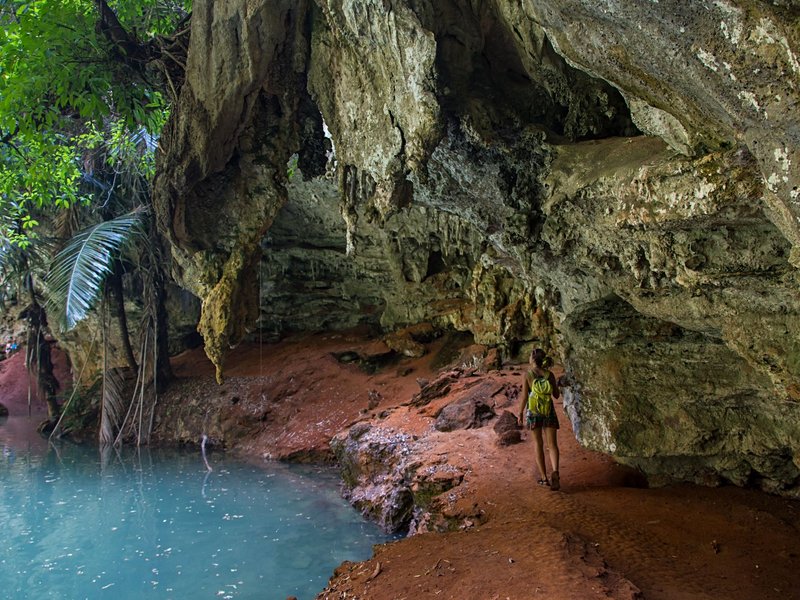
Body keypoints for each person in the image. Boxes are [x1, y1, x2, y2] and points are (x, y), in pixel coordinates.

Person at [518, 348, 561, 490]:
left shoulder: (528, 375)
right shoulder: (550, 374)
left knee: (538, 444)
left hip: (534, 411)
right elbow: (556, 395)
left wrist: (520, 413)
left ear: (532, 359)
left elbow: (524, 397)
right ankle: (555, 471)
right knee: (552, 445)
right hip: (549, 411)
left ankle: (544, 478)